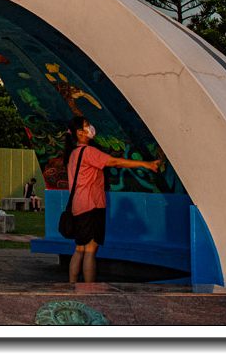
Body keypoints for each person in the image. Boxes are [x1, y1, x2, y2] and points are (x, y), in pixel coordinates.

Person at [64, 115, 163, 284]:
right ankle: (89, 290)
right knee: (90, 251)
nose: (90, 128)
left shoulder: (73, 154)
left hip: (78, 206)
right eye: (87, 125)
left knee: (79, 249)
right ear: (80, 132)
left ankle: (71, 286)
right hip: (91, 206)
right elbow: (115, 162)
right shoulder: (88, 152)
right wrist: (146, 164)